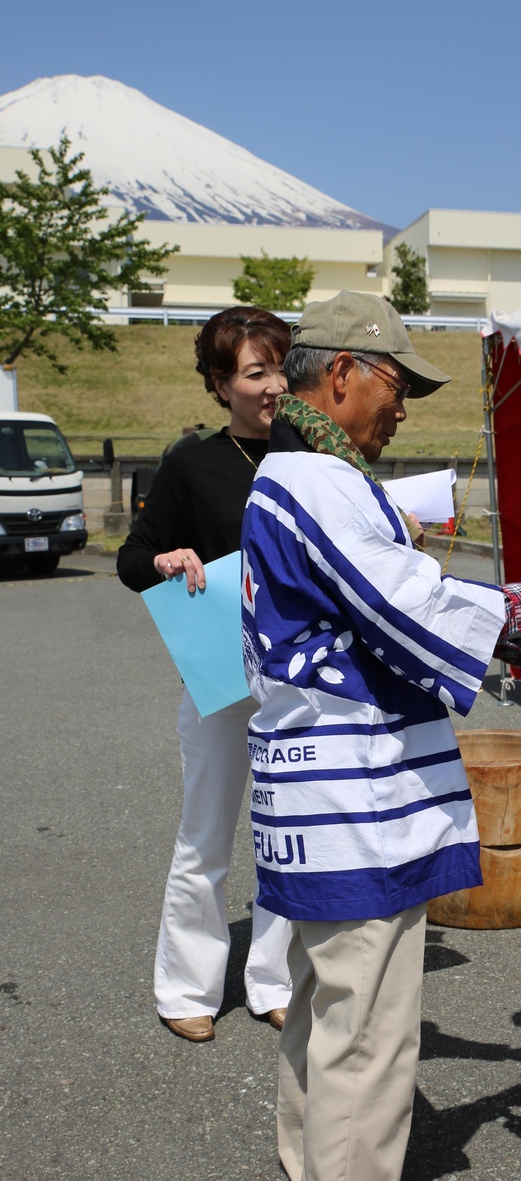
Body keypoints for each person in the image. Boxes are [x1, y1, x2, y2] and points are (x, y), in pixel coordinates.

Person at [240, 291, 521, 1181]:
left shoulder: (303, 477)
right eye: (397, 386)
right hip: (350, 802)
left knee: (324, 1020)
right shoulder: (312, 481)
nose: (401, 410)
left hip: (327, 796)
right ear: (341, 373)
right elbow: (403, 602)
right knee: (368, 1037)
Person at [117, 306, 295, 1043]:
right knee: (207, 835)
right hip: (220, 677)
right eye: (256, 373)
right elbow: (133, 559)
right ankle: (186, 987)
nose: (275, 386)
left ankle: (275, 979)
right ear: (220, 384)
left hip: (297, 677)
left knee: (290, 834)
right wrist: (166, 560)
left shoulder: (308, 451)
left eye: (281, 367)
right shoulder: (192, 462)